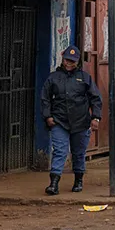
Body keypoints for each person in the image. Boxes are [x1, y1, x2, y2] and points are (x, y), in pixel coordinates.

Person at [41, 45, 102, 195]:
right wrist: (48, 116)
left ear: (77, 62)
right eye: (67, 60)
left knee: (78, 152)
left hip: (81, 122)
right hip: (59, 121)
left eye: (72, 61)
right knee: (60, 151)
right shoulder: (53, 78)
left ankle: (78, 180)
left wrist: (96, 117)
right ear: (63, 59)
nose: (69, 63)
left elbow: (95, 98)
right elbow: (45, 99)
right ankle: (54, 183)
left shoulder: (85, 77)